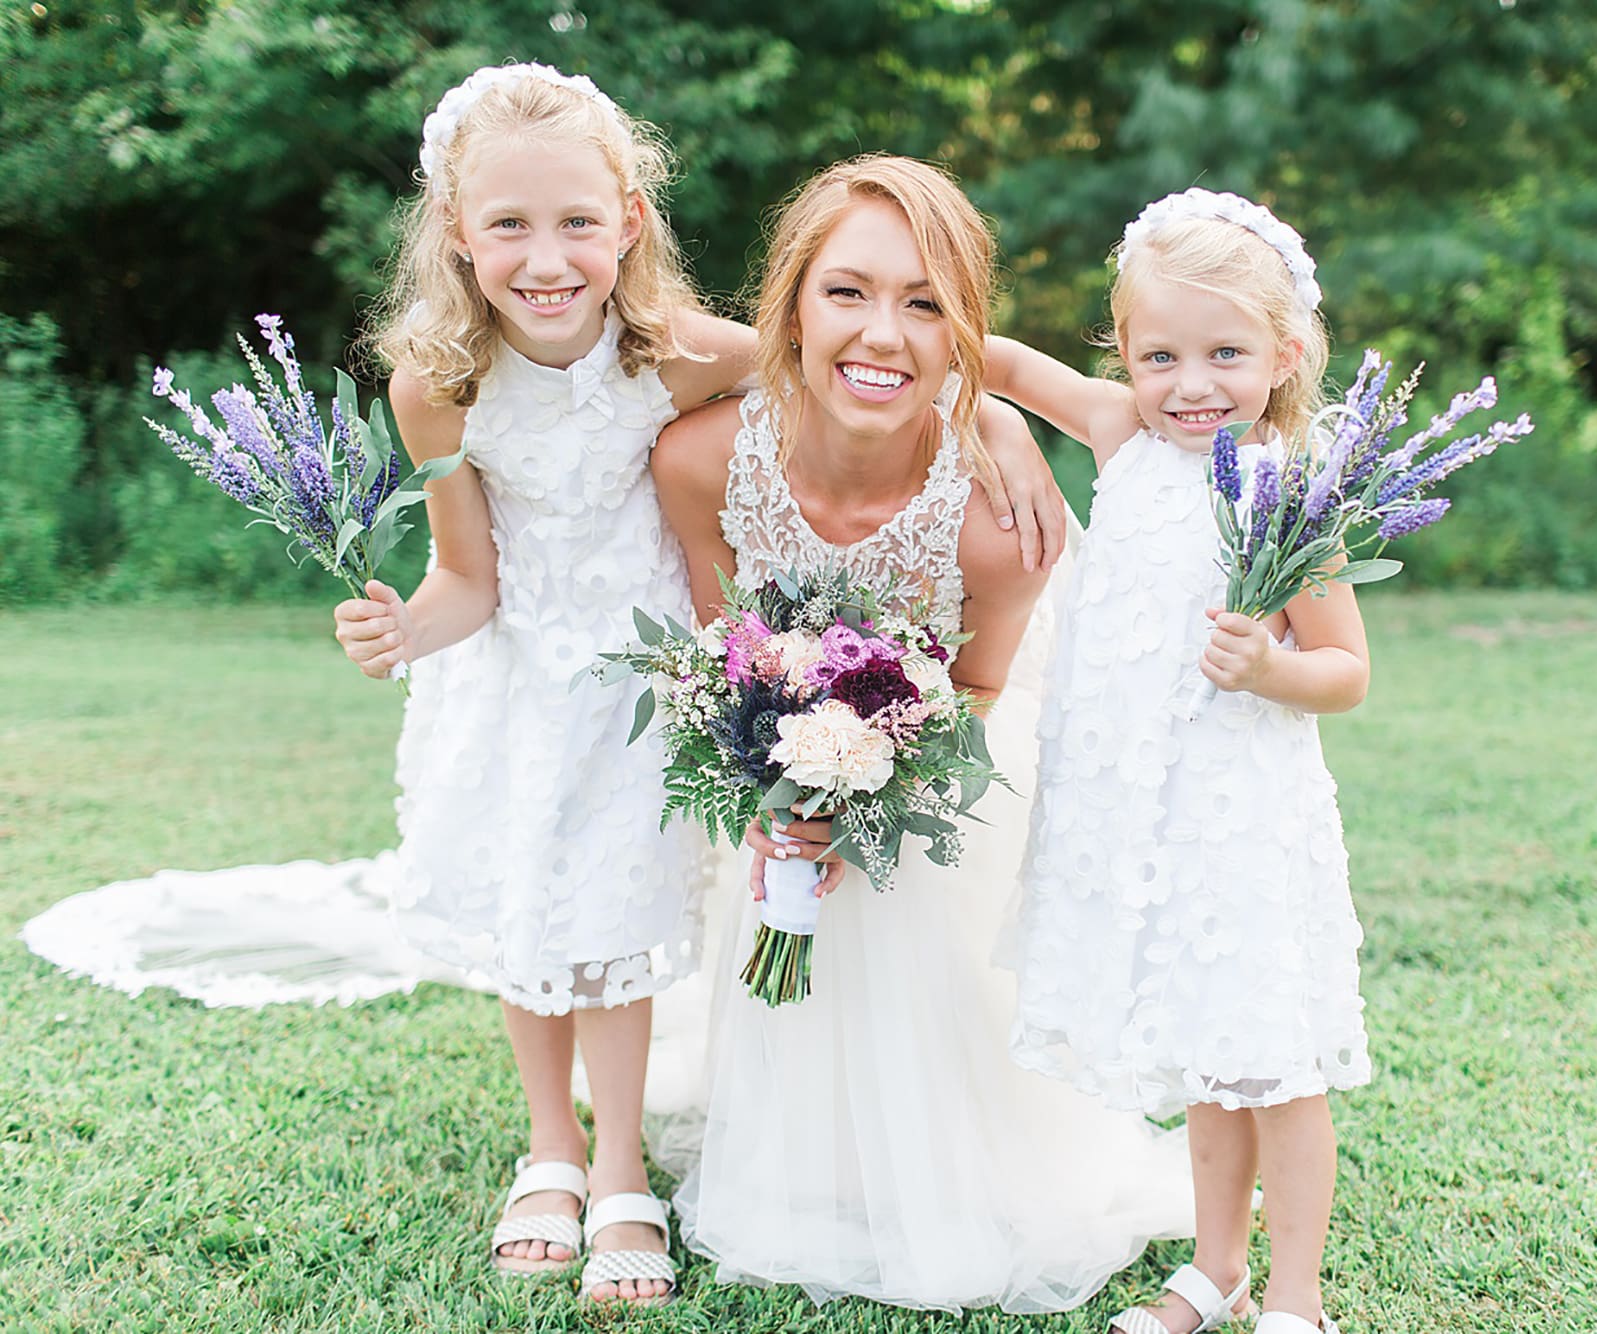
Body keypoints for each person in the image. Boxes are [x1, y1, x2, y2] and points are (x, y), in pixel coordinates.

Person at [20, 64, 1062, 1311]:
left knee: (615, 920)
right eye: (507, 224)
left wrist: (998, 423)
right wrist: (406, 624)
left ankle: (618, 1160)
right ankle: (550, 1144)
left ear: (627, 219)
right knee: (531, 912)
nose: (545, 257)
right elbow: (466, 573)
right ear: (457, 235)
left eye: (575, 221)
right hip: (513, 682)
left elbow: (852, 365)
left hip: (641, 683)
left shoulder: (681, 355)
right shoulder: (435, 387)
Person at [649, 153, 1195, 1315]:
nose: (881, 333)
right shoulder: (698, 461)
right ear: (790, 305)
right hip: (788, 792)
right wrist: (770, 791)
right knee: (781, 890)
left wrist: (865, 799)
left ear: (962, 334)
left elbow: (983, 707)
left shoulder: (999, 521)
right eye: (845, 290)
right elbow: (722, 657)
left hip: (951, 783)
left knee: (929, 972)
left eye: (923, 303)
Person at [988, 188, 1374, 1334]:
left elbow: (1346, 668)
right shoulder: (1117, 433)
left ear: (1282, 351)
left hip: (1240, 816)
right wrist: (972, 399)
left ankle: (1293, 1295)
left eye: (1222, 352)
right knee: (1210, 1061)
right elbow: (996, 358)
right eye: (1158, 353)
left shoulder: (1286, 488)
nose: (1188, 383)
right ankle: (1215, 1267)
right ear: (1123, 350)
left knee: (1273, 1062)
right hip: (1139, 814)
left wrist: (1267, 665)